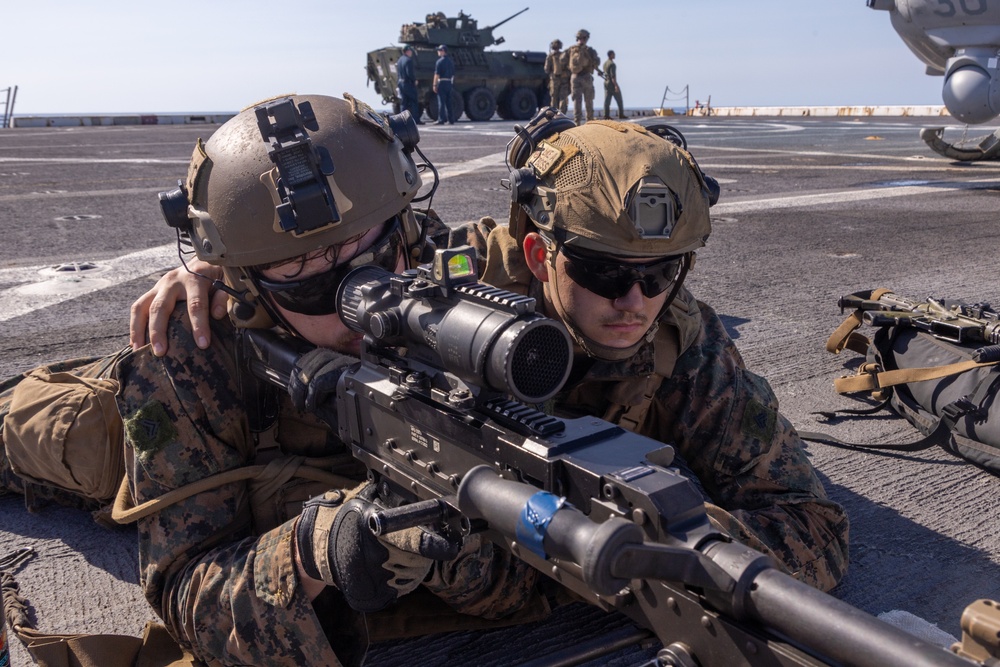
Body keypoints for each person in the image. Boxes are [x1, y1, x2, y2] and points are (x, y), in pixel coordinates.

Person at [135, 109, 850, 594]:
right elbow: (181, 582)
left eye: (663, 273)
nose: (635, 299)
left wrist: (670, 540)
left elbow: (810, 524)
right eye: (603, 271)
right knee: (54, 430)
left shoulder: (662, 330)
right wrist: (322, 549)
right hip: (168, 435)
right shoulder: (200, 339)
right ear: (540, 255)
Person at [113, 93, 540, 666]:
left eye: (368, 261)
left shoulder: (432, 273)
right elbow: (187, 599)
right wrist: (316, 552)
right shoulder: (185, 355)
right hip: (108, 433)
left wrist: (441, 541)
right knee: (41, 428)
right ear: (247, 284)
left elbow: (521, 586)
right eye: (303, 281)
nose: (354, 307)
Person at [560, 29, 600, 123]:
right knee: (588, 100)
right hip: (586, 76)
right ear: (586, 38)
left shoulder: (571, 49)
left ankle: (577, 122)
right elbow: (597, 61)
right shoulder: (589, 50)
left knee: (576, 101)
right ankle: (589, 120)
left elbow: (562, 60)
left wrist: (568, 68)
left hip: (575, 77)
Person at [396, 45, 421, 123]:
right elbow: (409, 73)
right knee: (414, 101)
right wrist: (414, 81)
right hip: (408, 84)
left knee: (404, 103)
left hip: (401, 83)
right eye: (410, 51)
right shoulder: (408, 60)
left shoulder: (399, 60)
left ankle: (402, 121)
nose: (411, 53)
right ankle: (416, 120)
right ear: (407, 51)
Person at [544, 39, 570, 114]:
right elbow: (569, 68)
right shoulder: (564, 55)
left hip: (554, 79)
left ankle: (553, 115)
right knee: (563, 98)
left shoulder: (550, 56)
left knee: (554, 98)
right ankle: (562, 114)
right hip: (564, 79)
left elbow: (546, 69)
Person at [432, 44, 456, 125]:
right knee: (449, 102)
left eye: (439, 50)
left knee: (441, 102)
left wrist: (434, 85)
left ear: (443, 51)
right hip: (449, 82)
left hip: (442, 82)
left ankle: (441, 119)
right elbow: (453, 73)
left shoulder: (439, 62)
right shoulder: (451, 61)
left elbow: (437, 74)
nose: (438, 52)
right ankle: (451, 119)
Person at [602, 49, 625, 119]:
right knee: (619, 99)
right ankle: (621, 114)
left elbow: (603, 73)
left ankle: (606, 115)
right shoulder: (612, 64)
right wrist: (615, 86)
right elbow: (613, 76)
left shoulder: (605, 63)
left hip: (606, 82)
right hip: (611, 83)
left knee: (607, 100)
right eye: (613, 54)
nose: (614, 55)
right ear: (611, 55)